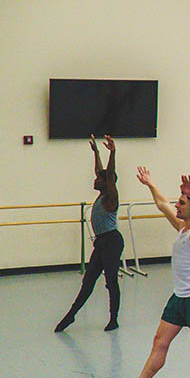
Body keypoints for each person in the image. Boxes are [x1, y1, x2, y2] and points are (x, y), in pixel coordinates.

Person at [117, 169, 190, 378]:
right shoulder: (182, 228)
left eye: (181, 202)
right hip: (179, 297)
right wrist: (150, 183)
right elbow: (162, 204)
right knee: (159, 342)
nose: (177, 205)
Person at [56, 135, 122, 332]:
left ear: (106, 182)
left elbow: (109, 174)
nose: (94, 179)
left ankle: (114, 319)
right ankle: (70, 316)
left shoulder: (111, 197)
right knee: (89, 280)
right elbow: (101, 171)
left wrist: (112, 152)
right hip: (102, 243)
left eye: (97, 179)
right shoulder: (102, 195)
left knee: (111, 281)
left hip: (112, 241)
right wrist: (96, 152)